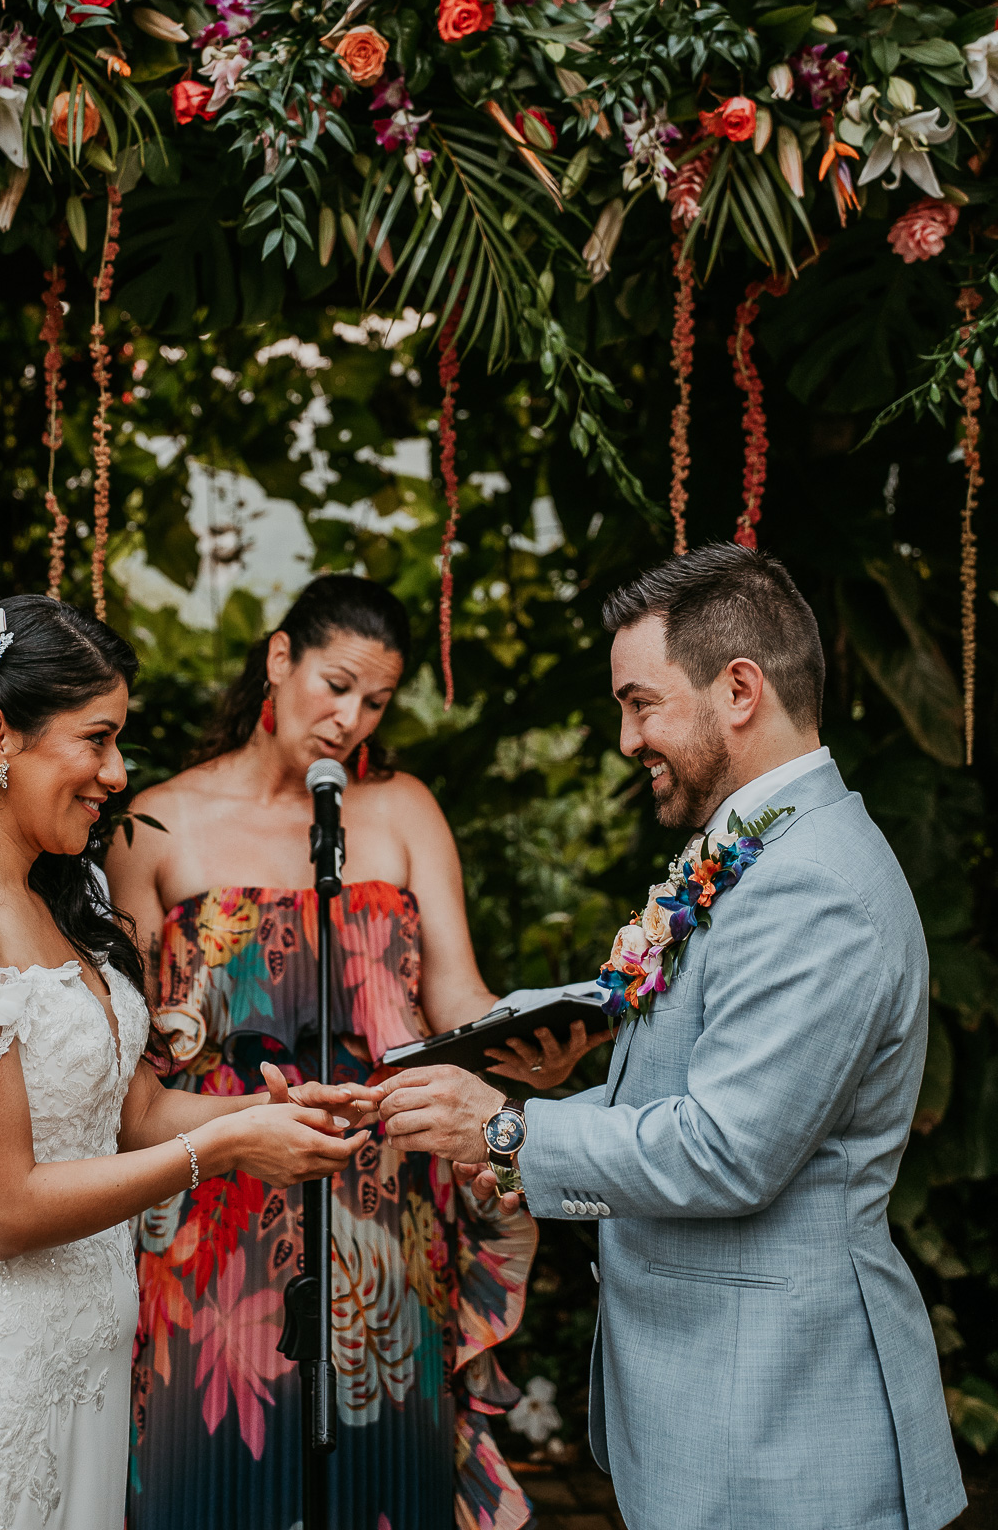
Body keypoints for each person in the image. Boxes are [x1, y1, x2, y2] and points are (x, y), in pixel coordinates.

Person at [376, 543, 968, 1530]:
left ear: (739, 689)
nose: (625, 739)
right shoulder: (746, 847)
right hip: (720, 1410)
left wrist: (513, 1133)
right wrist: (528, 1082)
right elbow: (669, 1046)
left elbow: (731, 1150)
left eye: (640, 702)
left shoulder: (814, 881)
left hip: (786, 1423)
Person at [0, 597, 371, 1530]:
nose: (117, 774)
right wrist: (234, 1151)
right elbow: (5, 1210)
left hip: (81, 1369)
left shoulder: (63, 901)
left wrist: (273, 1112)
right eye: (98, 739)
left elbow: (136, 1118)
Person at [107, 573, 585, 1530]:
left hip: (384, 1212)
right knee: (212, 1474)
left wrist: (532, 1040)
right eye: (335, 685)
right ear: (279, 658)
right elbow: (126, 1064)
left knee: (382, 1480)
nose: (349, 719)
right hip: (213, 1211)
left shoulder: (402, 809)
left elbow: (456, 996)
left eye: (374, 701)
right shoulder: (154, 822)